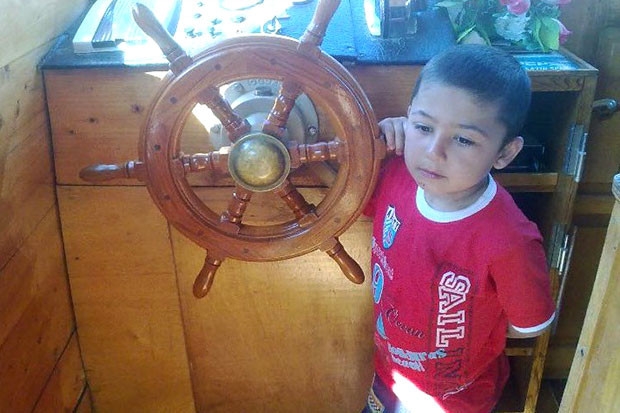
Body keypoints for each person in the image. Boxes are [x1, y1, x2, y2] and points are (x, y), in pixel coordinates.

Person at [361, 44, 556, 413]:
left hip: (459, 399)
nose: (433, 152)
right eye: (423, 127)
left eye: (464, 139)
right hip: (387, 377)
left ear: (505, 153)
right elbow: (347, 195)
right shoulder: (394, 174)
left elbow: (529, 324)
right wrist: (376, 143)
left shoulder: (511, 241)